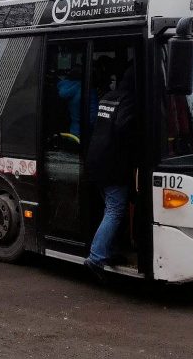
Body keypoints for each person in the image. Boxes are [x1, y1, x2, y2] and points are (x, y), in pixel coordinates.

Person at [83, 68, 137, 281]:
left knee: (111, 209)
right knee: (115, 210)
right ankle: (96, 258)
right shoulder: (130, 100)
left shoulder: (108, 97)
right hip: (113, 164)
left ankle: (109, 251)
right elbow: (125, 129)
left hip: (96, 159)